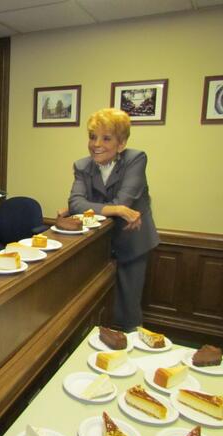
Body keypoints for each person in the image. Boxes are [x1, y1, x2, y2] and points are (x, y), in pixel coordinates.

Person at [65, 108, 159, 331]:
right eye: (92, 137)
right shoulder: (82, 165)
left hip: (131, 243)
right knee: (97, 305)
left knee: (128, 310)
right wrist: (116, 209)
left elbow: (123, 199)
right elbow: (75, 204)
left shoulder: (136, 159)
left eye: (106, 138)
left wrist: (112, 207)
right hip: (98, 246)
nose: (96, 144)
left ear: (122, 143)